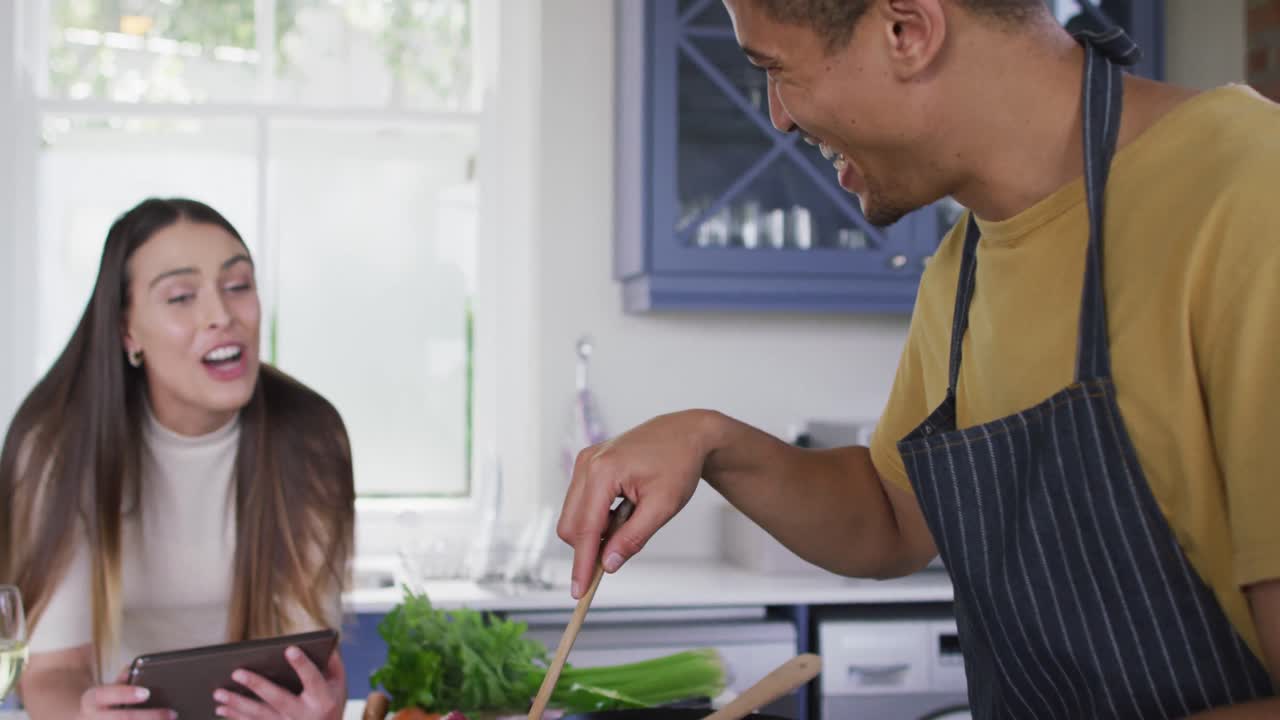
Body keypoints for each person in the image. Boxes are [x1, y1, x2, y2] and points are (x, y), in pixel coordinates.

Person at [556, 0, 1280, 717]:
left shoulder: (1249, 194)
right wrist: (710, 439)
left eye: (776, 68)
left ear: (908, 32)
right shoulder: (961, 269)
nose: (776, 116)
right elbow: (891, 516)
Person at [0, 198, 355, 719]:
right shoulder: (57, 445)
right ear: (127, 330)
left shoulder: (310, 437)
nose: (221, 316)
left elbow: (306, 662)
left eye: (238, 286)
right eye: (182, 296)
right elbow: (52, 674)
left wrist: (315, 709)